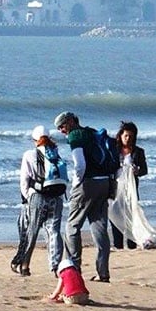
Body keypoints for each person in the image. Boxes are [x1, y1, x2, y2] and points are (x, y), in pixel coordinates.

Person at [54, 111, 113, 282]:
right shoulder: (91, 132)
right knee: (100, 227)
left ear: (71, 121)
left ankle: (74, 269)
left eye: (63, 126)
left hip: (87, 184)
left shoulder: (75, 135)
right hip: (104, 182)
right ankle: (103, 273)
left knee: (72, 227)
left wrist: (75, 184)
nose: (62, 130)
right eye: (59, 128)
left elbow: (80, 164)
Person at [17, 125, 67, 276]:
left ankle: (25, 266)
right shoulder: (55, 154)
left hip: (38, 197)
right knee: (54, 232)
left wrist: (27, 198)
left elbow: (24, 181)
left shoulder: (29, 154)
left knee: (31, 231)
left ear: (35, 140)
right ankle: (56, 267)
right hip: (57, 197)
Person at [111, 121, 148, 249]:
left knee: (131, 217)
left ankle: (132, 244)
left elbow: (144, 170)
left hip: (131, 189)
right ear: (120, 135)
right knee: (115, 215)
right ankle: (118, 245)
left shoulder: (138, 152)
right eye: (126, 135)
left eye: (131, 136)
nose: (128, 138)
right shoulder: (114, 150)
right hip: (115, 188)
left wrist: (137, 171)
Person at [9, 194, 29, 274]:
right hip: (27, 207)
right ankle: (17, 262)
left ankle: (20, 263)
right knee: (24, 239)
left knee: (26, 240)